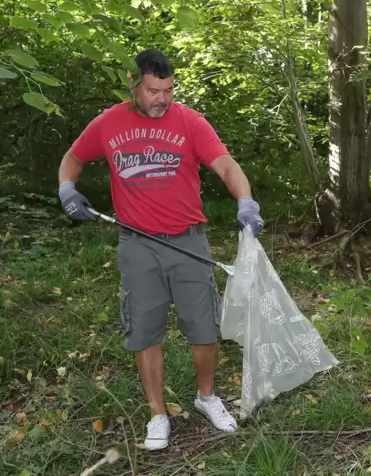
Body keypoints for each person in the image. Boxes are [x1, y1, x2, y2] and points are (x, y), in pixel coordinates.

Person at [57, 49, 264, 450]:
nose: (162, 98)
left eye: (169, 90)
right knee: (145, 332)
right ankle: (157, 413)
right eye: (154, 90)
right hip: (137, 245)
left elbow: (225, 165)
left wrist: (246, 202)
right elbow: (73, 158)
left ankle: (206, 396)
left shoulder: (189, 121)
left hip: (188, 241)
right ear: (134, 86)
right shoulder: (108, 123)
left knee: (204, 328)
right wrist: (67, 188)